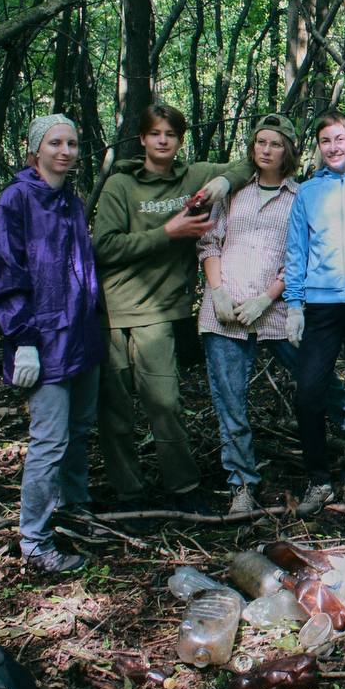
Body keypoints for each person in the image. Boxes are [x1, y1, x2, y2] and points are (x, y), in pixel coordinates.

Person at [93, 103, 255, 517]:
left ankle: (183, 488)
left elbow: (248, 161)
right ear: (142, 139)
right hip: (110, 312)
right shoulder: (121, 186)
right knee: (116, 414)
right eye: (155, 134)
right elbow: (104, 247)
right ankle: (129, 495)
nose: (162, 140)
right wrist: (168, 232)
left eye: (170, 134)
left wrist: (220, 182)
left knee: (164, 404)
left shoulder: (191, 177)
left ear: (179, 140)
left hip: (161, 313)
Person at [0, 115, 103, 573]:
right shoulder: (16, 200)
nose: (65, 150)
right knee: (49, 441)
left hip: (81, 338)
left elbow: (82, 273)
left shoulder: (70, 200)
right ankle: (34, 540)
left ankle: (74, 508)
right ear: (35, 149)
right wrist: (23, 340)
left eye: (72, 143)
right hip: (43, 342)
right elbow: (6, 273)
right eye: (55, 143)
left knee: (80, 431)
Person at [198, 115, 310, 516]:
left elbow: (300, 259)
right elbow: (209, 243)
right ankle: (242, 484)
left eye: (275, 144)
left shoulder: (300, 197)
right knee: (231, 401)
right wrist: (218, 291)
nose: (266, 150)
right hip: (225, 314)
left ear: (288, 151)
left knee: (316, 380)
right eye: (260, 142)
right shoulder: (232, 193)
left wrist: (267, 297)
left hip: (276, 312)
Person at [282, 111, 345, 520]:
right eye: (326, 140)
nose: (334, 147)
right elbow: (296, 250)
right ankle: (319, 479)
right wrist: (293, 303)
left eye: (340, 139)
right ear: (318, 147)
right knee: (309, 394)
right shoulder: (306, 194)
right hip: (320, 306)